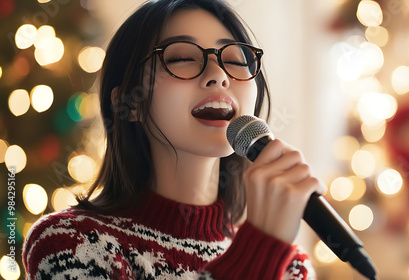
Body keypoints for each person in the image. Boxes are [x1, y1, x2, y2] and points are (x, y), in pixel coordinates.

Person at [22, 0, 327, 279]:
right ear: (129, 103)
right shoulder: (71, 242)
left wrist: (265, 250)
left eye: (235, 59)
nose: (218, 74)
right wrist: (259, 250)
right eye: (182, 58)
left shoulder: (290, 268)